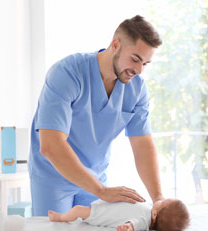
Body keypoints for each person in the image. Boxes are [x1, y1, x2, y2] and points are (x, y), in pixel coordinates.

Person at [28, 15, 164, 216]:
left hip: (95, 177)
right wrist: (102, 191)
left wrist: (158, 199)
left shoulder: (137, 89)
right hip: (53, 177)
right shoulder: (67, 73)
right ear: (115, 44)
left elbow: (143, 145)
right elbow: (51, 146)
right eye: (135, 59)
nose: (139, 70)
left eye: (146, 63)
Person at [48, 199, 190, 231]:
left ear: (155, 214)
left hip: (101, 215)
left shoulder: (144, 220)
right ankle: (62, 217)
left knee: (78, 210)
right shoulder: (148, 211)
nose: (160, 200)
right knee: (79, 209)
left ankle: (60, 218)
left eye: (163, 202)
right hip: (106, 207)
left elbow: (134, 224)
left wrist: (127, 228)